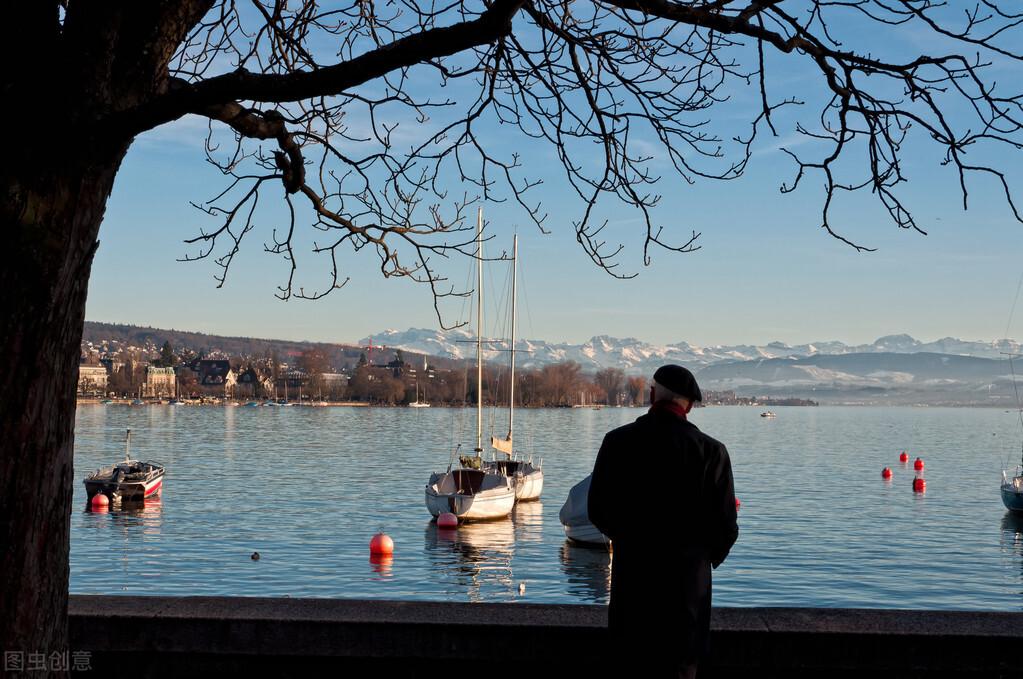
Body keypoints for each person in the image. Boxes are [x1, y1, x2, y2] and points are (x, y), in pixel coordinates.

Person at [588, 364, 738, 678]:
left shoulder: (617, 442)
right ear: (691, 405)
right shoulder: (712, 453)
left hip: (633, 588)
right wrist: (699, 557)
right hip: (687, 598)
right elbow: (726, 528)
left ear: (652, 395)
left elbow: (598, 510)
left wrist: (629, 540)